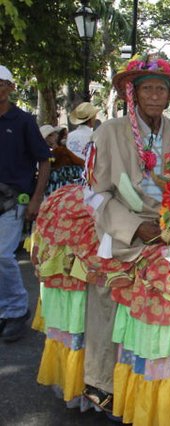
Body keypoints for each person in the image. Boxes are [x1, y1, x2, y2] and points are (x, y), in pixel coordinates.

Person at [33, 53, 170, 426]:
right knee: (105, 288)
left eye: (160, 89)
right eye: (146, 88)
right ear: (133, 93)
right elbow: (95, 193)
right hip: (122, 226)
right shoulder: (108, 132)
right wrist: (134, 227)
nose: (153, 96)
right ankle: (100, 380)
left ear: (169, 96)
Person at [0, 64, 51, 343]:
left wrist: (36, 198)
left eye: (0, 83)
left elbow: (44, 160)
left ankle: (17, 309)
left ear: (9, 88)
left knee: (2, 256)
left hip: (13, 200)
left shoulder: (23, 121)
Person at [39, 125, 84, 195]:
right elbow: (79, 161)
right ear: (49, 136)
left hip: (51, 186)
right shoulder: (60, 150)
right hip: (63, 183)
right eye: (53, 135)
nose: (56, 136)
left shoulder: (42, 152)